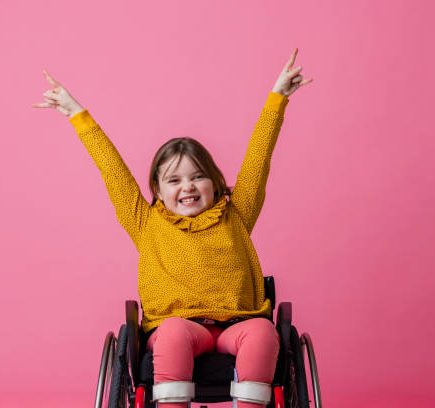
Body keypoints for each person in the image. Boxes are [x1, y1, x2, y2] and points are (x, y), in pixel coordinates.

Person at [34, 49, 312, 408]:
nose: (188, 187)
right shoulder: (146, 222)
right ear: (158, 191)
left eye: (198, 177)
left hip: (238, 325)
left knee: (262, 333)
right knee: (173, 333)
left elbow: (259, 159)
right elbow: (113, 172)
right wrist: (77, 114)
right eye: (175, 180)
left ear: (215, 183)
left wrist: (277, 100)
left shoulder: (236, 215)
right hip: (178, 326)